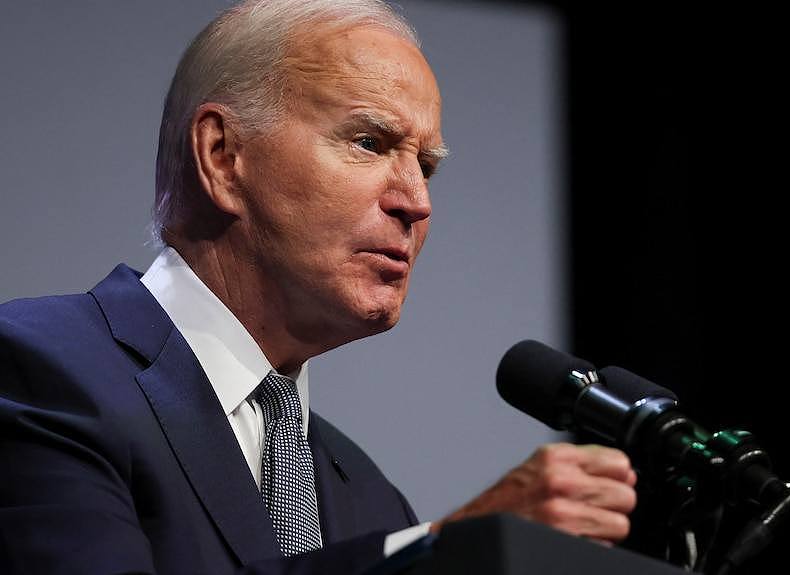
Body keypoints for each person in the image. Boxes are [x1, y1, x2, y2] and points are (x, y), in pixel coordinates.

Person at [0, 1, 637, 573]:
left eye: (428, 167)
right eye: (370, 142)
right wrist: (442, 556)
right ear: (223, 157)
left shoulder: (367, 494)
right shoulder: (39, 368)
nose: (416, 203)